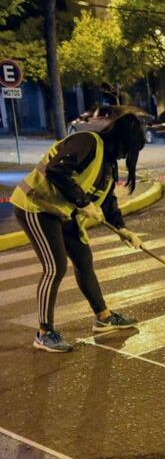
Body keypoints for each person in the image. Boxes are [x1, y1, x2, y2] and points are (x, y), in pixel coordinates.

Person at [11, 112, 146, 353]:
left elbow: (107, 200)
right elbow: (56, 171)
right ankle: (44, 333)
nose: (126, 156)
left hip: (62, 212)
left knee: (84, 260)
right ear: (121, 140)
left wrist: (122, 229)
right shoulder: (87, 142)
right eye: (128, 149)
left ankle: (103, 317)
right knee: (55, 267)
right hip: (36, 206)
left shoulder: (108, 163)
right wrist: (82, 202)